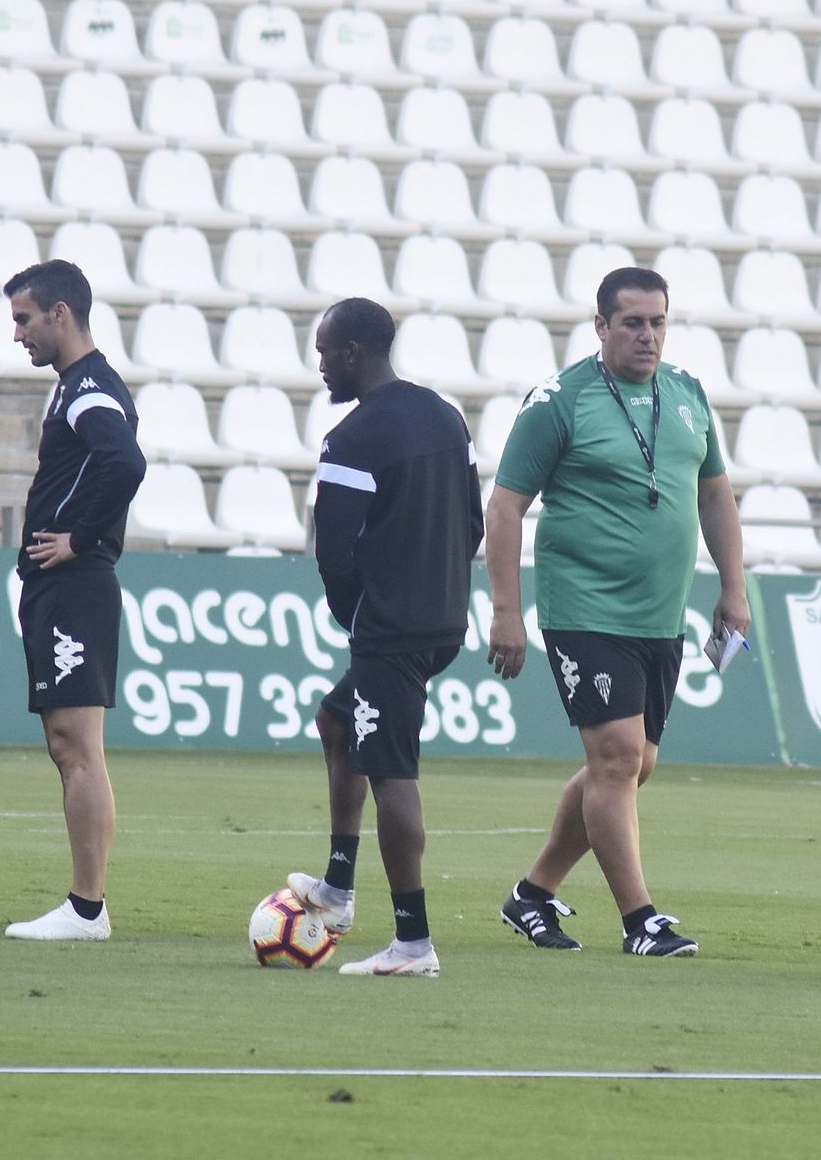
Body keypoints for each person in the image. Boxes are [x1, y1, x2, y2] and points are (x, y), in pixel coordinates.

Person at [486, 266, 749, 957]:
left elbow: (715, 495)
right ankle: (642, 920)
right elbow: (505, 505)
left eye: (658, 321)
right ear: (600, 326)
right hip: (584, 608)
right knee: (616, 756)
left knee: (635, 764)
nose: (647, 335)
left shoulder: (687, 395)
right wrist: (506, 610)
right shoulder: (559, 400)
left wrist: (734, 588)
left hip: (661, 616)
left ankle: (533, 892)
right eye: (632, 322)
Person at [286, 297, 483, 978]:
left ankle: (413, 941)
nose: (318, 365)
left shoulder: (353, 437)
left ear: (352, 352)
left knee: (394, 774)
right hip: (442, 620)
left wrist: (356, 615)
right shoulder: (445, 416)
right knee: (337, 720)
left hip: (391, 629)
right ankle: (338, 888)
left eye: (323, 350)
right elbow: (473, 521)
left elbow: (333, 552)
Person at [2, 260, 145, 942]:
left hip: (76, 585)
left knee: (77, 745)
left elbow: (126, 460)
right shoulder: (73, 387)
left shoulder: (89, 387)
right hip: (57, 587)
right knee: (67, 744)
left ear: (62, 313)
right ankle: (86, 904)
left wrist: (79, 537)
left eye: (24, 319)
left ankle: (88, 907)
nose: (19, 334)